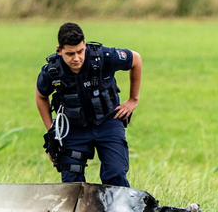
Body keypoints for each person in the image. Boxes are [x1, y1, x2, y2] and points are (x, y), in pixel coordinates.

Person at [36, 22, 142, 187]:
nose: (76, 58)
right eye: (70, 54)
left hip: (108, 121)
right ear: (59, 50)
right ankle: (81, 205)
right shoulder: (52, 71)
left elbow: (136, 59)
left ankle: (118, 205)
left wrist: (133, 100)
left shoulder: (104, 57)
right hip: (73, 128)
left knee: (115, 174)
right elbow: (41, 96)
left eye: (80, 51)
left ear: (85, 45)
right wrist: (52, 132)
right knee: (71, 183)